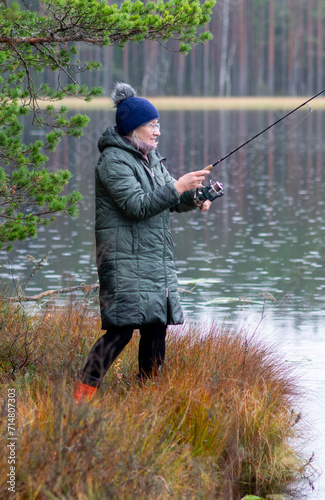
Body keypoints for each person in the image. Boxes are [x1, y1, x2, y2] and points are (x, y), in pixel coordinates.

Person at [74, 82, 212, 403]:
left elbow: (171, 200)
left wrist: (196, 197)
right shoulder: (113, 161)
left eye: (158, 125)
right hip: (123, 259)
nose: (157, 132)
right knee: (121, 330)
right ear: (133, 128)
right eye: (152, 125)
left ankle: (149, 395)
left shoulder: (151, 159)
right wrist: (178, 187)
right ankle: (80, 396)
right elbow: (138, 205)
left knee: (156, 325)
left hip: (152, 260)